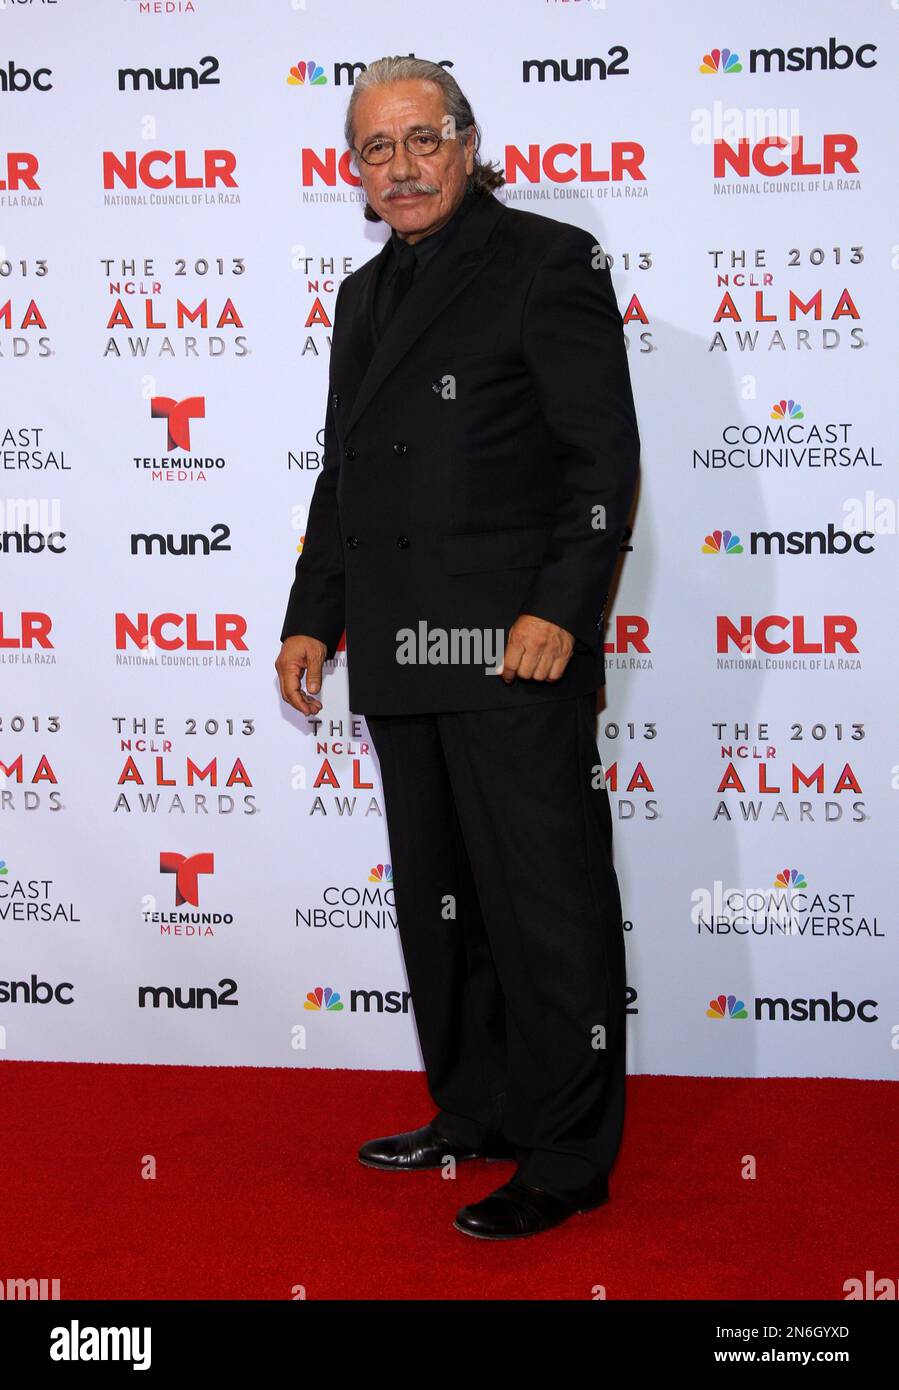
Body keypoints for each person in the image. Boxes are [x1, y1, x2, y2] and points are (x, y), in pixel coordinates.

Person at [275, 56, 640, 1240]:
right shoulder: (361, 296)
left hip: (512, 650)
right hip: (398, 645)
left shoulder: (545, 262)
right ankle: (472, 1108)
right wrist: (310, 612)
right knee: (441, 902)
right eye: (375, 150)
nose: (401, 166)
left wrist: (557, 609)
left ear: (467, 144)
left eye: (420, 140)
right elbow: (345, 474)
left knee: (546, 904)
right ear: (355, 173)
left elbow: (601, 461)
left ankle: (567, 1153)